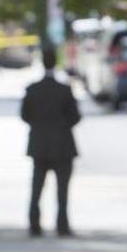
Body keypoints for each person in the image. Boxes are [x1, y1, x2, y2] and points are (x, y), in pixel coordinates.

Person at [21, 46, 81, 237]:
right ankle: (62, 225)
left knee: (37, 187)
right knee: (62, 190)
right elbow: (76, 116)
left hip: (39, 144)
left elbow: (25, 115)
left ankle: (34, 225)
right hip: (62, 145)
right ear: (56, 63)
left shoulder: (33, 89)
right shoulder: (64, 90)